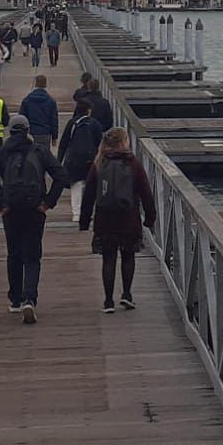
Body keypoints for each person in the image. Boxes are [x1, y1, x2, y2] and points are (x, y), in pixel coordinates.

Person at [0, 114, 67, 323]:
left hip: (12, 210)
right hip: (35, 209)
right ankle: (30, 299)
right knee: (33, 255)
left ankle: (15, 299)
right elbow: (61, 176)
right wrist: (48, 202)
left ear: (10, 131)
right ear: (27, 131)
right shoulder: (39, 151)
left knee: (14, 253)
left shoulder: (3, 153)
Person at [79, 128, 156, 314]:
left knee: (109, 258)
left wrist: (84, 221)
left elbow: (89, 194)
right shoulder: (133, 163)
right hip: (129, 216)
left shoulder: (99, 162)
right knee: (128, 256)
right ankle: (127, 294)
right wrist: (150, 217)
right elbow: (145, 191)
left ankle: (108, 301)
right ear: (124, 142)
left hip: (105, 217)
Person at [57, 98, 102, 214]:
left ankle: (76, 213)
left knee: (76, 184)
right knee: (90, 185)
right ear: (88, 110)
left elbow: (64, 143)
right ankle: (88, 212)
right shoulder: (95, 123)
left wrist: (59, 161)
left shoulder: (72, 123)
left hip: (74, 159)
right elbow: (99, 142)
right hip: (90, 158)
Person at [19, 74, 60, 148]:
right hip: (45, 134)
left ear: (35, 84)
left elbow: (22, 119)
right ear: (45, 84)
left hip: (31, 133)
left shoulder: (27, 100)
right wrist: (54, 137)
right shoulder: (51, 101)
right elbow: (54, 120)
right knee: (44, 157)